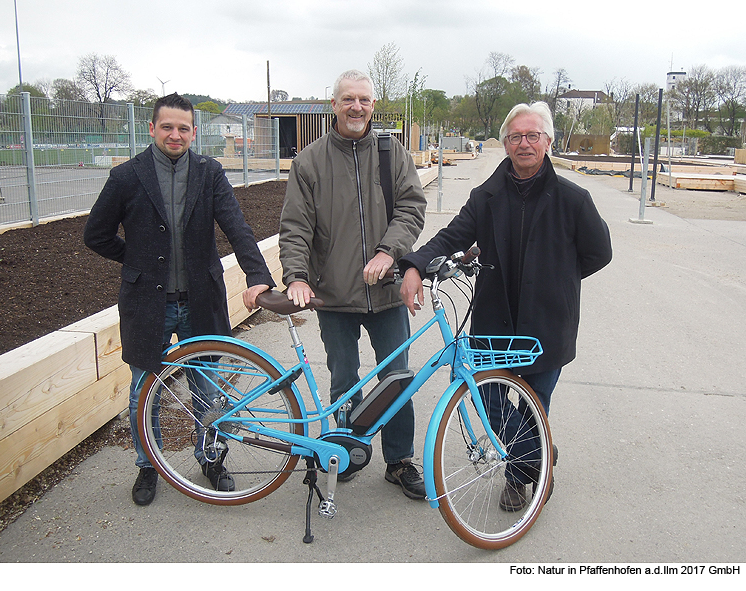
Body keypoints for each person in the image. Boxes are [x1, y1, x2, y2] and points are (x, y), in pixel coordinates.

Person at [398, 101, 612, 510]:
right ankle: (537, 457)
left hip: (547, 323)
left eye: (533, 135)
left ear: (547, 141)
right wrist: (414, 265)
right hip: (494, 322)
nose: (525, 143)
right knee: (492, 399)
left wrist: (560, 279)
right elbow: (452, 236)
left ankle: (519, 478)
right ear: (505, 143)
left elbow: (599, 253)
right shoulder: (487, 196)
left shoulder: (574, 198)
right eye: (516, 136)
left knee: (534, 402)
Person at [84, 93, 275, 506]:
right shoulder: (127, 177)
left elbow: (236, 227)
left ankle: (210, 457)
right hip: (147, 303)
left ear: (193, 132)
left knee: (206, 387)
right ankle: (146, 465)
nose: (175, 134)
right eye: (167, 127)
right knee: (143, 388)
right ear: (152, 128)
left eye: (183, 128)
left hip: (199, 300)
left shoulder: (209, 173)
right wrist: (134, 260)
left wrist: (259, 275)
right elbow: (95, 234)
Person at [278, 69, 428, 499]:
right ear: (334, 105)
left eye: (363, 99)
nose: (356, 107)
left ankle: (399, 461)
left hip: (385, 295)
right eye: (348, 99)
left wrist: (388, 251)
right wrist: (298, 276)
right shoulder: (310, 161)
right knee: (344, 379)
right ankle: (347, 449)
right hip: (335, 296)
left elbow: (412, 208)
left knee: (397, 379)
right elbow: (295, 227)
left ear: (373, 106)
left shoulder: (391, 152)